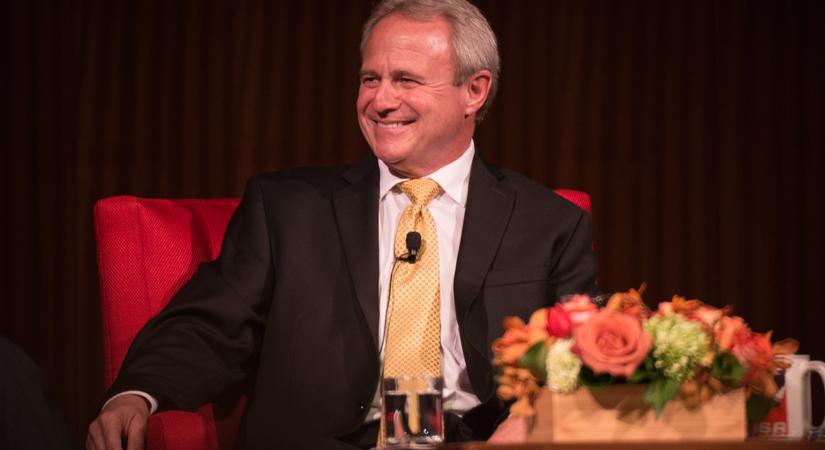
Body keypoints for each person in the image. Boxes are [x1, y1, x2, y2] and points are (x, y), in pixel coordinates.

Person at [86, 0, 597, 449]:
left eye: (407, 80)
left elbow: (582, 362)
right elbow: (211, 325)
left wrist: (533, 423)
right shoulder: (286, 208)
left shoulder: (549, 224)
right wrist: (137, 395)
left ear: (475, 91)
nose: (380, 100)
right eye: (370, 78)